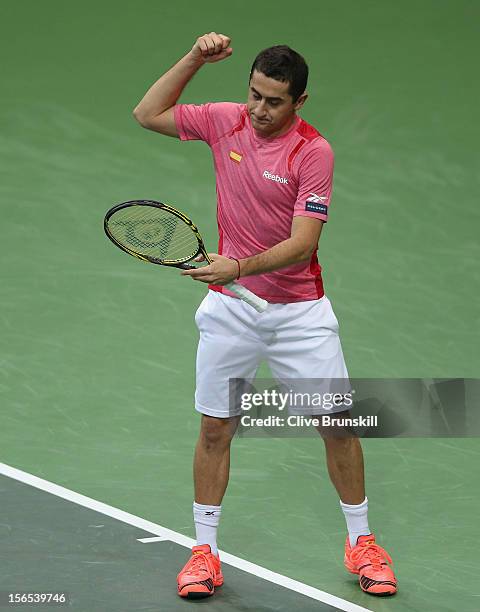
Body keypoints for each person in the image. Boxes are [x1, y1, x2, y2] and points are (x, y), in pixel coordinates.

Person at [133, 32, 397, 599]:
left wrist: (239, 267)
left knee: (338, 427)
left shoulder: (312, 151)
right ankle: (204, 551)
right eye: (254, 94)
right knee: (215, 428)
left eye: (274, 101)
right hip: (231, 313)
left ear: (299, 102)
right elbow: (147, 113)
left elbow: (303, 244)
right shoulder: (226, 120)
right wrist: (195, 59)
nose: (258, 110)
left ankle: (362, 542)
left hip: (300, 313)